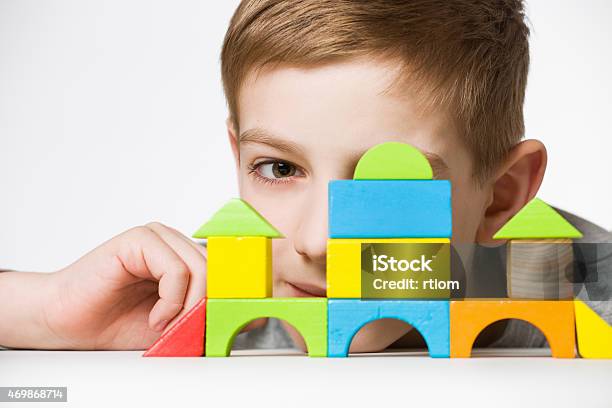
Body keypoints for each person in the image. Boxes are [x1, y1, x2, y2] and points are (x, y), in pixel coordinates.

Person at [1, 0, 609, 352]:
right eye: (279, 168)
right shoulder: (212, 296)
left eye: (387, 184)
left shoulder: (587, 288)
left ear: (501, 194)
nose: (318, 242)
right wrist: (50, 312)